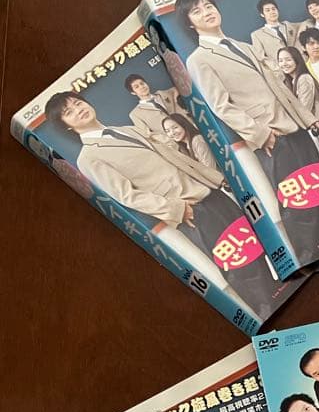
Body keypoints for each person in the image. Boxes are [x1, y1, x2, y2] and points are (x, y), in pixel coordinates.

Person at [45, 91, 280, 316]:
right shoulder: (88, 158)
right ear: (66, 126)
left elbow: (174, 156)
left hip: (208, 191)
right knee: (239, 265)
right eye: (69, 112)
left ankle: (282, 290)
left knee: (255, 243)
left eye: (77, 103)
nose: (78, 109)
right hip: (189, 208)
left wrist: (215, 179)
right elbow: (127, 196)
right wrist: (177, 209)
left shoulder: (125, 129)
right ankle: (270, 310)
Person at [176, 0, 319, 257]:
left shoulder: (243, 45)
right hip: (272, 137)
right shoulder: (198, 59)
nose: (207, 12)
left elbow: (278, 87)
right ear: (190, 24)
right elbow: (221, 106)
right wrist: (261, 134)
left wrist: (305, 119)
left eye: (208, 6)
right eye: (196, 11)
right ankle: (312, 256)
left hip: (294, 127)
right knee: (299, 204)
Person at [125, 74, 189, 142]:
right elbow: (147, 134)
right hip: (174, 142)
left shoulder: (162, 94)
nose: (142, 87)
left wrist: (175, 99)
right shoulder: (136, 114)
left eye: (142, 83)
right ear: (133, 92)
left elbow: (178, 88)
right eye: (136, 87)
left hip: (189, 129)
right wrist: (169, 141)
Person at [250, 0, 304, 71]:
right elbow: (261, 58)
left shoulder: (288, 25)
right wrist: (278, 69)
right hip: (281, 72)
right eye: (267, 10)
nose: (272, 12)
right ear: (262, 14)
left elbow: (306, 24)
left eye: (273, 9)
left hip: (301, 66)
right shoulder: (257, 35)